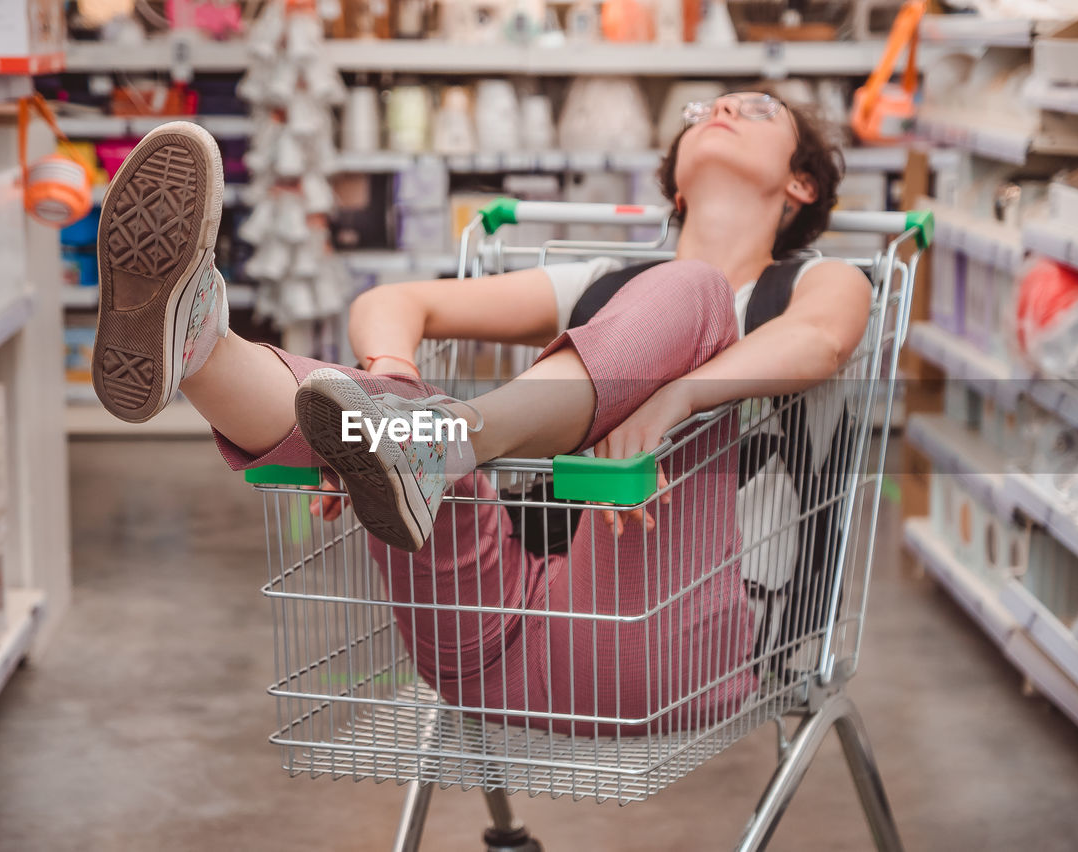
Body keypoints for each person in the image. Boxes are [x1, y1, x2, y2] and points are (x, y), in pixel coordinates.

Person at [90, 92, 868, 734]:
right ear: (674, 187)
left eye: (755, 110)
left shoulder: (817, 283)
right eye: (706, 108)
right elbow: (397, 300)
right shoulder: (605, 284)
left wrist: (680, 393)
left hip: (668, 649)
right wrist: (389, 377)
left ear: (800, 185)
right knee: (415, 421)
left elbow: (824, 341)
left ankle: (431, 438)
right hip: (488, 642)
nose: (723, 109)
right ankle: (202, 350)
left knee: (691, 289)